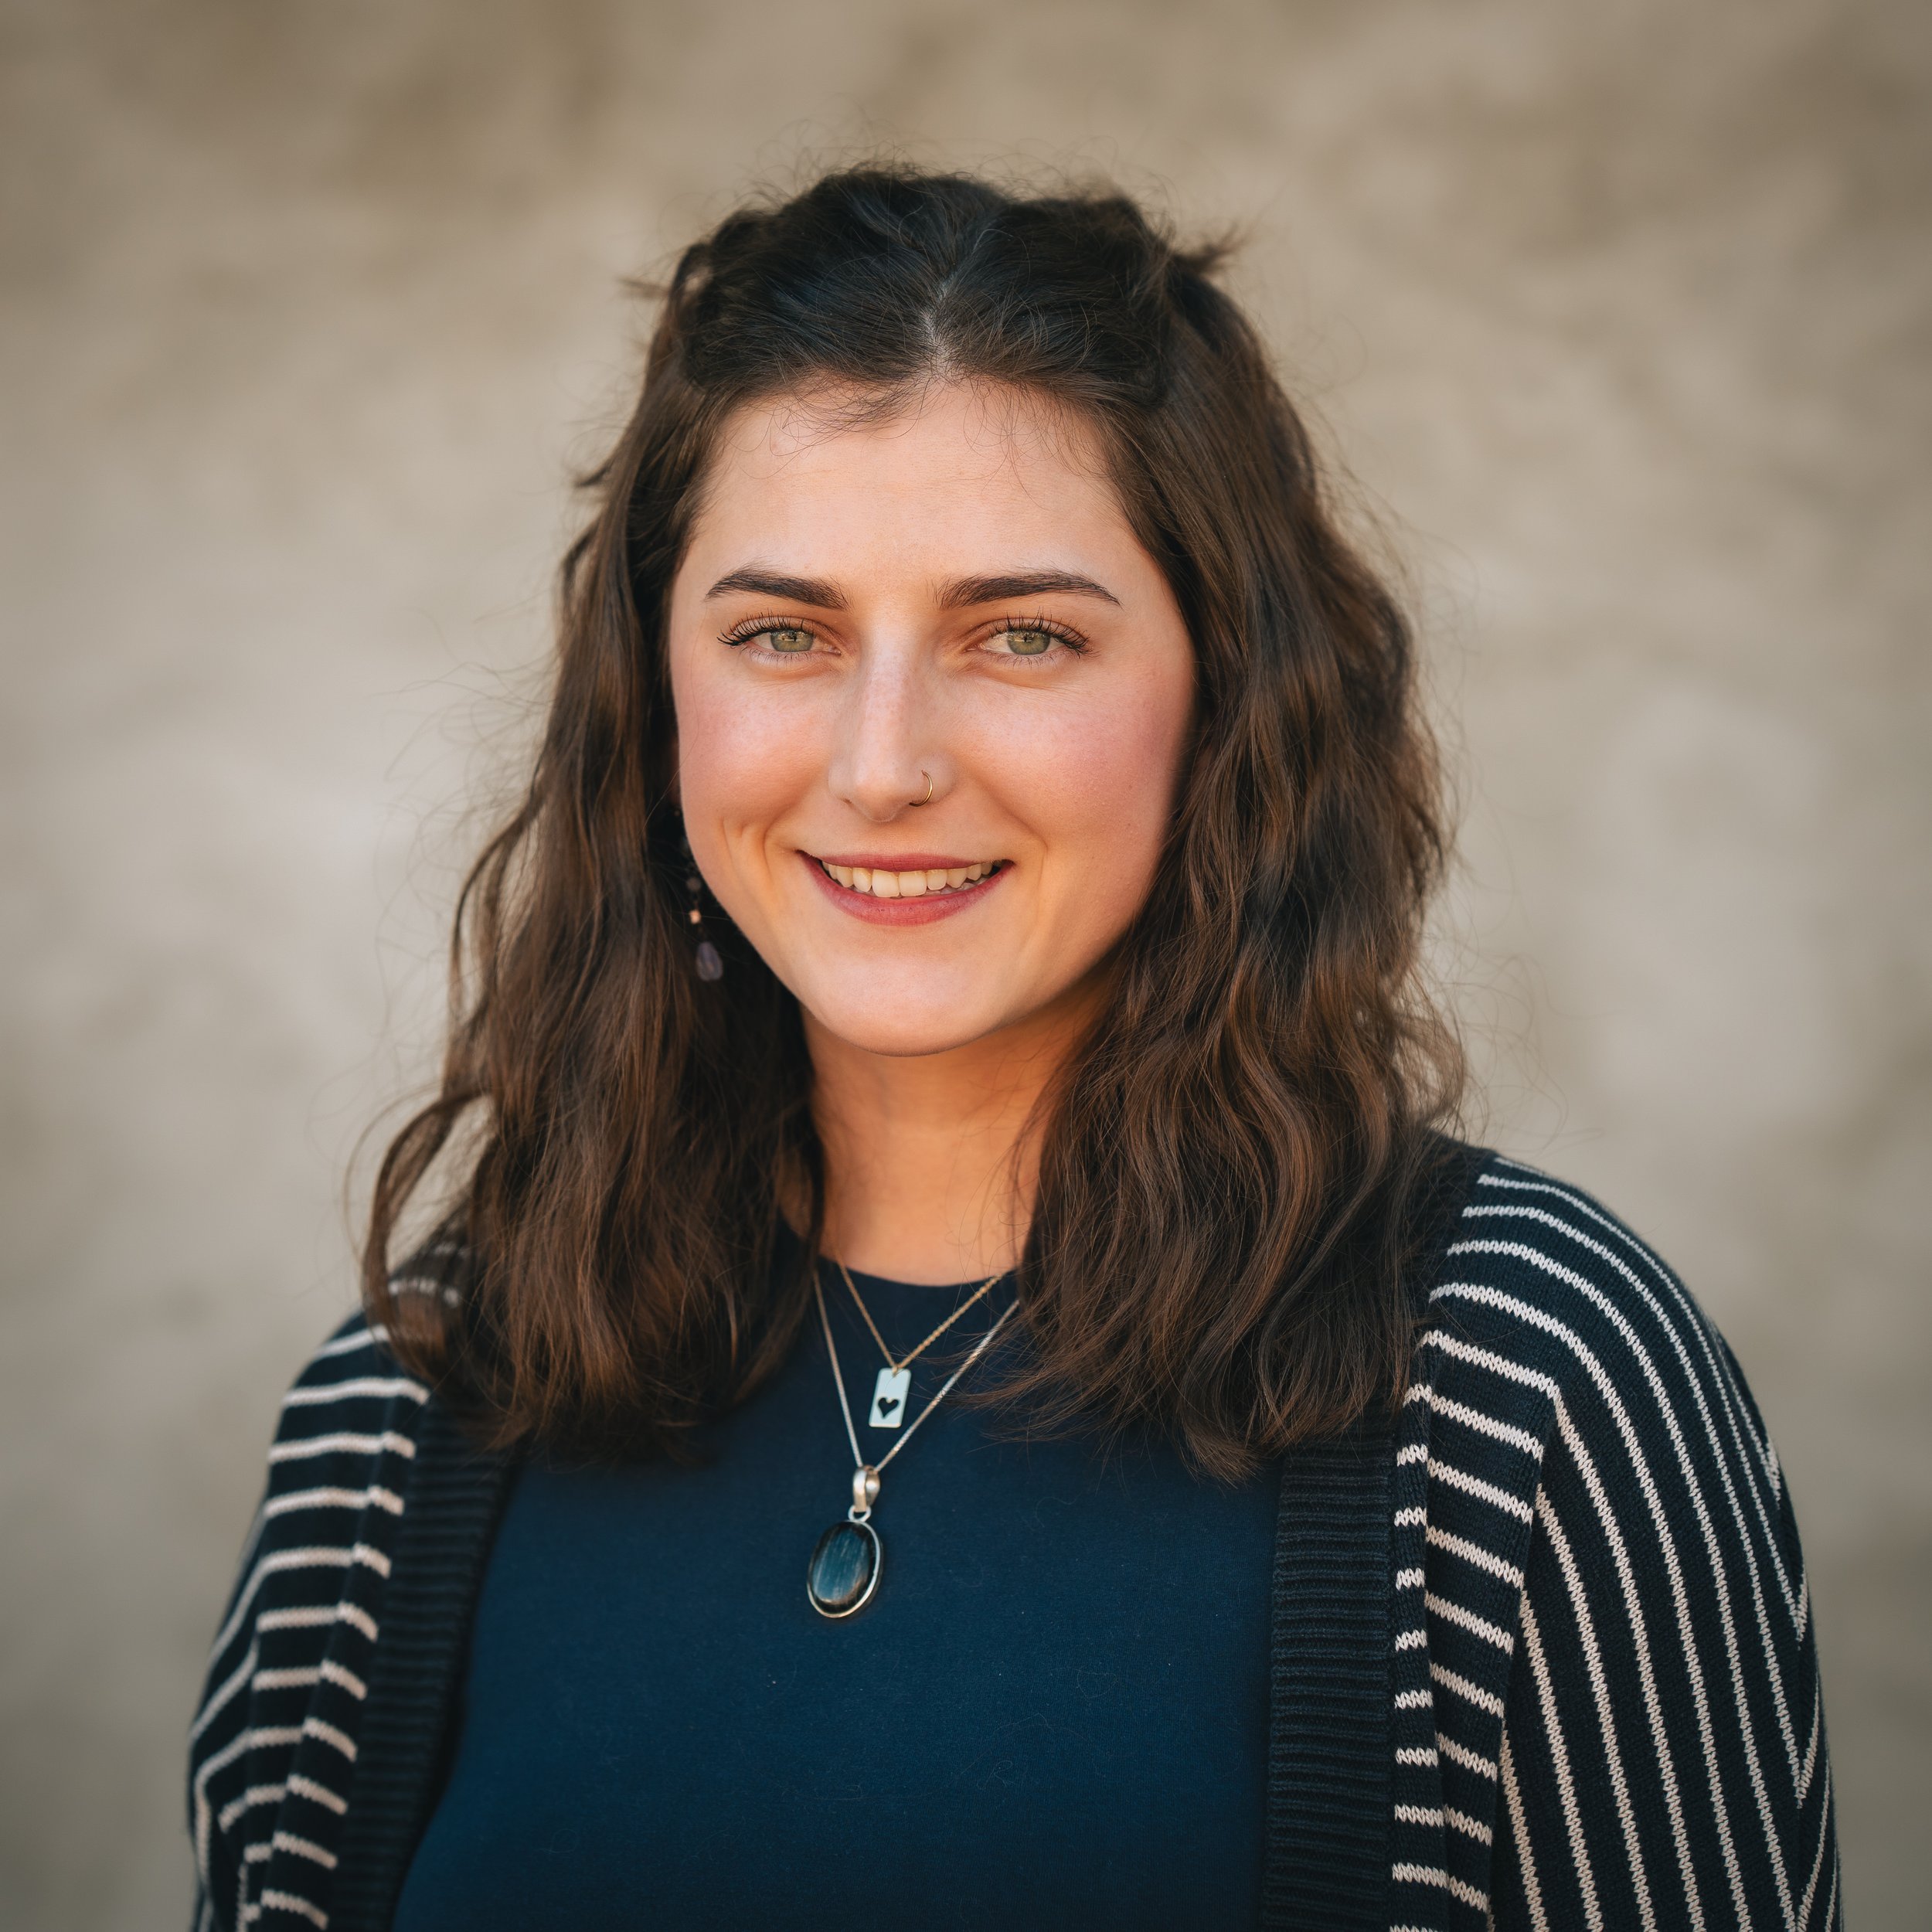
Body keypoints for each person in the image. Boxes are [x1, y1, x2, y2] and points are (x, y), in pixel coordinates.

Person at [187, 166, 1839, 1932]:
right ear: (654, 701)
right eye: (781, 634)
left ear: (1224, 694)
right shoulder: (403, 1417)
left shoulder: (1529, 1381)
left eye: (1022, 635)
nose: (882, 763)